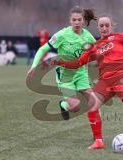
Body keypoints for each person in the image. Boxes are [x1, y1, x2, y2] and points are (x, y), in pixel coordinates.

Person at [27, 6, 104, 149]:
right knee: (75, 107)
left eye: (79, 20)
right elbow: (43, 48)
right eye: (74, 20)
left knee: (96, 103)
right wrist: (34, 65)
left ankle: (97, 136)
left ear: (83, 20)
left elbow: (97, 52)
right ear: (70, 20)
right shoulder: (62, 34)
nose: (76, 22)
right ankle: (64, 104)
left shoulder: (88, 36)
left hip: (81, 75)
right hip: (65, 77)